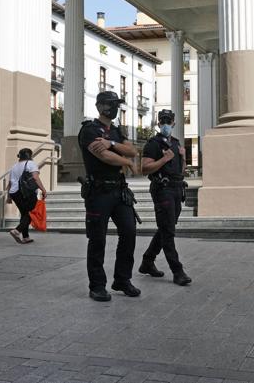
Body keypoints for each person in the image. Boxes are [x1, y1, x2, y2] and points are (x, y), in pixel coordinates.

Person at [78, 91, 140, 302]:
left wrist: (112, 144)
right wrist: (126, 162)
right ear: (101, 106)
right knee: (98, 240)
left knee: (129, 232)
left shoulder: (115, 131)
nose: (115, 108)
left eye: (116, 105)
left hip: (119, 191)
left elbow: (132, 151)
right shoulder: (89, 130)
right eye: (111, 104)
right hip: (99, 192)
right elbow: (103, 157)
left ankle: (122, 279)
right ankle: (97, 286)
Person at [138, 109, 192, 286]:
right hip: (163, 189)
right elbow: (144, 168)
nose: (166, 124)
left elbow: (182, 171)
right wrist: (163, 159)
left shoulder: (176, 144)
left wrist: (183, 158)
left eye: (169, 121)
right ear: (158, 123)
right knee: (168, 231)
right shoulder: (153, 143)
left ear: (174, 123)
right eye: (163, 121)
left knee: (166, 227)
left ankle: (147, 261)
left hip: (177, 189)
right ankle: (178, 271)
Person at [7, 148, 47, 244]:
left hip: (14, 193)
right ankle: (17, 231)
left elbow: (9, 183)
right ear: (30, 155)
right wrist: (43, 190)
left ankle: (25, 237)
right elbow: (35, 178)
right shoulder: (31, 164)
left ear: (19, 156)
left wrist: (8, 196)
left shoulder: (14, 166)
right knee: (31, 212)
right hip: (26, 192)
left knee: (24, 213)